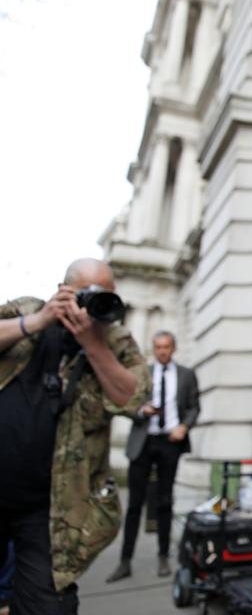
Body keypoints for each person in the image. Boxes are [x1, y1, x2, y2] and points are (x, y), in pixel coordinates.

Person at [0, 258, 151, 614]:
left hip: (49, 510)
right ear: (63, 292)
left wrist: (93, 344)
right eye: (87, 294)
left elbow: (133, 397)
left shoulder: (114, 340)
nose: (94, 304)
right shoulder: (25, 311)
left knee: (49, 606)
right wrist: (38, 322)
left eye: (106, 296)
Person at [106, 330, 199, 581]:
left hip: (170, 442)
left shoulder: (187, 375)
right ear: (153, 349)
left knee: (165, 502)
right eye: (158, 347)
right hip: (143, 442)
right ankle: (125, 561)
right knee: (135, 504)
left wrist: (184, 426)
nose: (162, 351)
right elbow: (126, 404)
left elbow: (193, 407)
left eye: (166, 346)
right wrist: (141, 411)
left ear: (174, 348)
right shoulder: (142, 374)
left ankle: (162, 556)